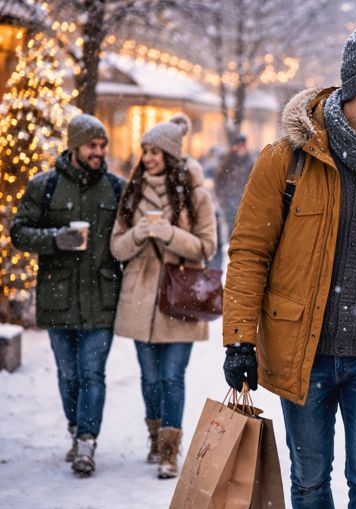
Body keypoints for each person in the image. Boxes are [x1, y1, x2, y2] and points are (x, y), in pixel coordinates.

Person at [221, 27, 356, 509]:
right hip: (304, 351)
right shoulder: (286, 159)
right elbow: (249, 253)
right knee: (310, 481)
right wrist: (239, 340)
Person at [10, 114, 125, 477]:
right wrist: (55, 239)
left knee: (92, 374)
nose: (99, 152)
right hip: (57, 297)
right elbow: (19, 232)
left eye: (103, 145)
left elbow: (129, 238)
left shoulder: (116, 188)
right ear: (75, 146)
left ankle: (87, 440)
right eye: (92, 145)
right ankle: (75, 428)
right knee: (68, 374)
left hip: (102, 298)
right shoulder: (44, 186)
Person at [110, 114, 217, 479]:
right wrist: (140, 232)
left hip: (180, 298)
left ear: (170, 155)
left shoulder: (196, 195)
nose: (148, 158)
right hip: (140, 299)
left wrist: (168, 233)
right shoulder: (132, 191)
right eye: (145, 151)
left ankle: (170, 450)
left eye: (155, 151)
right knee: (150, 378)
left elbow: (207, 246)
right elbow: (117, 248)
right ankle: (155, 439)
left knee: (172, 377)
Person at [214, 132, 254, 236]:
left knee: (244, 229)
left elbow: (255, 182)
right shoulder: (228, 161)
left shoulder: (250, 162)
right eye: (239, 145)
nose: (241, 148)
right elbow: (219, 180)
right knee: (231, 228)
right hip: (229, 200)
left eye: (243, 145)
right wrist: (222, 197)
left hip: (244, 201)